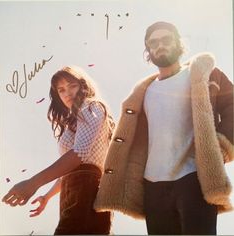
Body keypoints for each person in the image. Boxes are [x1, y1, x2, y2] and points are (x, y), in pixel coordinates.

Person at [94, 21, 234, 235]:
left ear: (179, 43)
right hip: (153, 187)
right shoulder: (143, 92)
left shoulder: (204, 74)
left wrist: (223, 146)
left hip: (194, 179)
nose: (160, 45)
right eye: (153, 43)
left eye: (166, 39)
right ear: (148, 51)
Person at [2, 65, 114, 235]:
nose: (67, 93)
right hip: (74, 190)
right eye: (61, 90)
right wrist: (47, 196)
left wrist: (33, 183)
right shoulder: (73, 121)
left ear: (84, 86)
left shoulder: (92, 106)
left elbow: (80, 154)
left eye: (72, 86)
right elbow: (69, 170)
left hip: (88, 188)